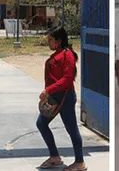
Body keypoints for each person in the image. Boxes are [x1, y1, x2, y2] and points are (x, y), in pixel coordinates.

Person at [36, 26, 86, 171]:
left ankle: (80, 162)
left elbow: (67, 79)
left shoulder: (67, 55)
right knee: (41, 123)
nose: (48, 43)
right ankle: (55, 157)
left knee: (71, 129)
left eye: (50, 40)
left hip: (65, 96)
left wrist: (48, 90)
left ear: (58, 41)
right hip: (54, 97)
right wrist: (48, 94)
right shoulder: (57, 54)